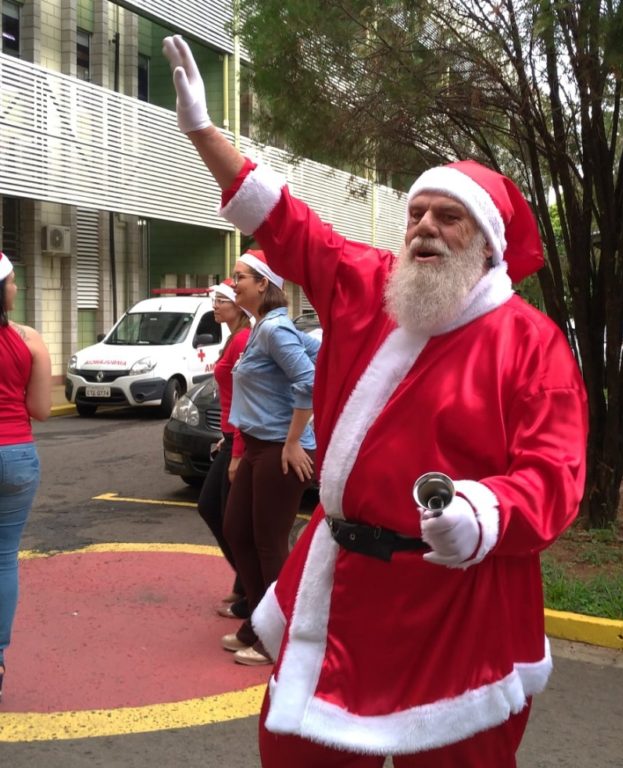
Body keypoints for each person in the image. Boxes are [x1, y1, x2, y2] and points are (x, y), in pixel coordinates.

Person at [164, 36, 588, 766]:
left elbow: (554, 475)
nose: (423, 226)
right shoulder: (367, 285)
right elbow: (287, 224)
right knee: (294, 747)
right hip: (340, 588)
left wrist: (483, 513)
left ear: (487, 244)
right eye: (415, 213)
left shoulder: (532, 342)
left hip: (460, 605)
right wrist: (205, 136)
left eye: (446, 216)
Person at [220, 248, 320, 666]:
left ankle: (277, 637)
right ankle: (260, 623)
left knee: (269, 543)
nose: (233, 282)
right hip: (260, 445)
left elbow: (310, 379)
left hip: (281, 450)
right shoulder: (267, 327)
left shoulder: (274, 330)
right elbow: (319, 359)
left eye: (240, 276)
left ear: (263, 284)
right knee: (237, 530)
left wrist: (295, 440)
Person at [0, 251, 52, 703]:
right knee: (3, 557)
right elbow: (40, 409)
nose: (16, 288)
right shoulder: (30, 339)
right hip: (15, 453)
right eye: (13, 281)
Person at [196, 280, 252, 620]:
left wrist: (237, 447)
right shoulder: (234, 337)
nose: (215, 305)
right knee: (219, 512)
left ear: (238, 305)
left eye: (222, 300)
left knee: (229, 518)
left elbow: (248, 395)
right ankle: (244, 582)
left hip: (240, 441)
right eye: (215, 300)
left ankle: (251, 587)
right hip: (231, 437)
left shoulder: (244, 339)